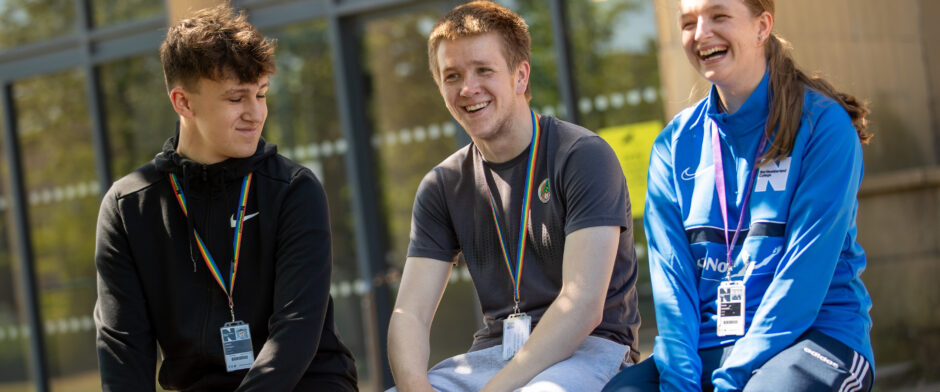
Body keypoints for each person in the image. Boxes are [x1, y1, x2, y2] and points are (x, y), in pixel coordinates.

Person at [603, 0, 874, 391]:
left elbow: (802, 282)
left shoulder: (823, 127)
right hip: (711, 347)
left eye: (719, 16)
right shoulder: (673, 145)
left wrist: (731, 381)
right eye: (688, 23)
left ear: (762, 27)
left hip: (815, 337)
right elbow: (672, 283)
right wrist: (680, 381)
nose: (701, 34)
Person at [93, 4, 357, 391]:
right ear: (183, 102)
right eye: (236, 99)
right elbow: (123, 351)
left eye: (261, 95)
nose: (256, 114)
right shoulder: (128, 208)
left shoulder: (294, 189)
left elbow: (295, 331)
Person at [386, 1, 641, 391]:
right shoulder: (442, 185)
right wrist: (412, 387)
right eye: (452, 75)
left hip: (589, 350)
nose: (468, 89)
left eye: (483, 70)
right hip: (495, 355)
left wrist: (496, 389)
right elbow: (410, 314)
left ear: (520, 76)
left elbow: (583, 306)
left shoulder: (582, 156)